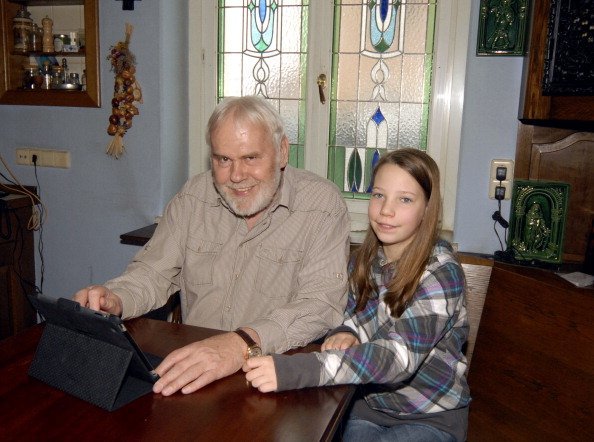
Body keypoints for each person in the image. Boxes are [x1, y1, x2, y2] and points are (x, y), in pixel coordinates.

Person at [74, 96, 350, 396]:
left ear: (282, 152)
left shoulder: (322, 205)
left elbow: (321, 305)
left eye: (251, 158)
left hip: (277, 378)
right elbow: (154, 272)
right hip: (194, 372)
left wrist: (241, 343)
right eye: (223, 159)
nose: (236, 176)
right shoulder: (194, 196)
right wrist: (117, 297)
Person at [243, 148, 470, 442]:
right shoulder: (366, 260)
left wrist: (296, 370)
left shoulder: (442, 272)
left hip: (430, 416)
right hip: (367, 406)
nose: (386, 210)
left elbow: (398, 358)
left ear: (427, 209)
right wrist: (346, 329)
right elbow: (354, 310)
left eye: (404, 199)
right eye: (378, 195)